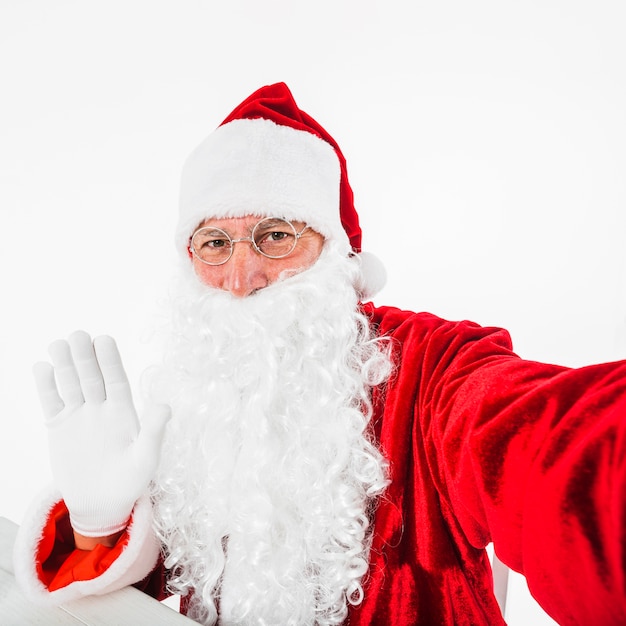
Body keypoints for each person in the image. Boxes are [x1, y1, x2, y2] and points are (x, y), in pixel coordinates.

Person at [13, 82, 626, 626]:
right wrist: (98, 525)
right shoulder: (195, 392)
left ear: (335, 254)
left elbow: (548, 442)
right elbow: (157, 579)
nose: (241, 276)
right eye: (215, 243)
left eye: (275, 236)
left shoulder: (428, 364)